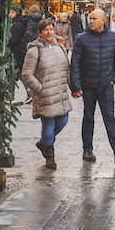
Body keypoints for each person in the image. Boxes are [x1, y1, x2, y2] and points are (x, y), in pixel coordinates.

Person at [69, 8, 115, 164]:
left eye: (94, 19)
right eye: (90, 18)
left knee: (109, 117)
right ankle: (88, 150)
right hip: (88, 84)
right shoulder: (82, 39)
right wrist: (75, 86)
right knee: (88, 117)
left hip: (106, 85)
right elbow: (75, 63)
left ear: (104, 20)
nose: (91, 21)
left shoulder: (113, 37)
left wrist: (114, 77)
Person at [21, 19, 72, 170]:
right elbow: (26, 74)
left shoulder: (60, 47)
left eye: (51, 29)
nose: (49, 32)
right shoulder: (34, 50)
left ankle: (44, 143)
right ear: (39, 33)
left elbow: (66, 70)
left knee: (63, 120)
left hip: (60, 93)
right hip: (45, 95)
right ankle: (50, 157)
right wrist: (40, 88)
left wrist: (73, 87)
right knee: (49, 125)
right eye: (46, 30)